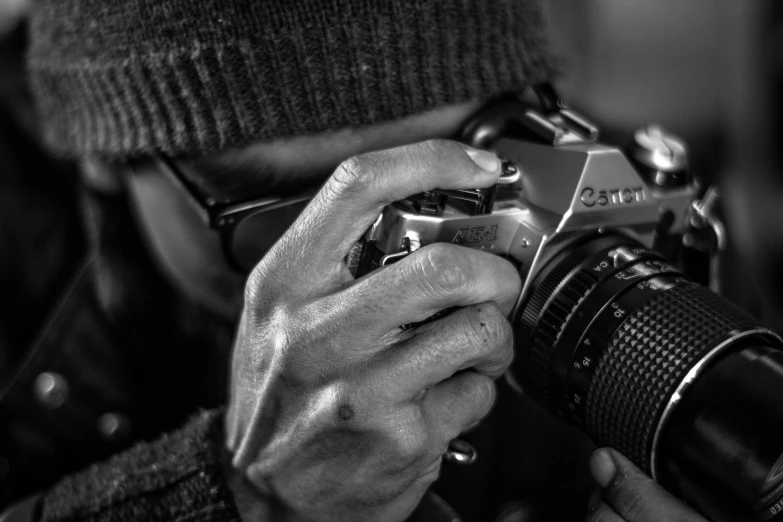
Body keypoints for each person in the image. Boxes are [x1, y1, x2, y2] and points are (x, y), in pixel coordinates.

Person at [0, 0, 709, 520]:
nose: (412, 266)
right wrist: (234, 497)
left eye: (458, 193)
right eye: (294, 213)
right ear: (101, 158)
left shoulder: (611, 197)